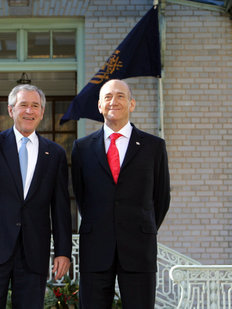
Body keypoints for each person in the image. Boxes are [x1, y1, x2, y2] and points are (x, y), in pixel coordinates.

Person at [0, 84, 72, 308]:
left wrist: (62, 251)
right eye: (23, 105)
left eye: (35, 106)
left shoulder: (55, 153)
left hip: (33, 250)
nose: (29, 111)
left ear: (41, 112)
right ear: (11, 111)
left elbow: (60, 207)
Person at [71, 79, 170, 309]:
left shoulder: (153, 147)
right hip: (95, 248)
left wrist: (142, 227)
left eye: (120, 96)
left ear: (132, 104)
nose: (113, 101)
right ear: (99, 106)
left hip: (138, 248)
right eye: (107, 97)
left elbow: (161, 197)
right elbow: (81, 196)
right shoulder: (82, 148)